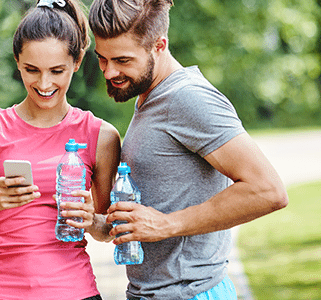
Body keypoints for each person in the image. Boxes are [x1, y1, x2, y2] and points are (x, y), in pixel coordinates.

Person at [85, 0, 290, 299]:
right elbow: (154, 211)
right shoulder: (150, 95)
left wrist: (168, 224)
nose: (108, 71)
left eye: (123, 60)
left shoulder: (188, 98)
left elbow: (268, 191)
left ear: (159, 45)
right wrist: (94, 222)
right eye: (102, 59)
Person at [0, 0, 121, 299]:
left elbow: (105, 231)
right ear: (17, 61)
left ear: (76, 62)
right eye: (31, 70)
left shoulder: (101, 136)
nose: (44, 83)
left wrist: (92, 220)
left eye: (57, 71)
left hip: (75, 291)